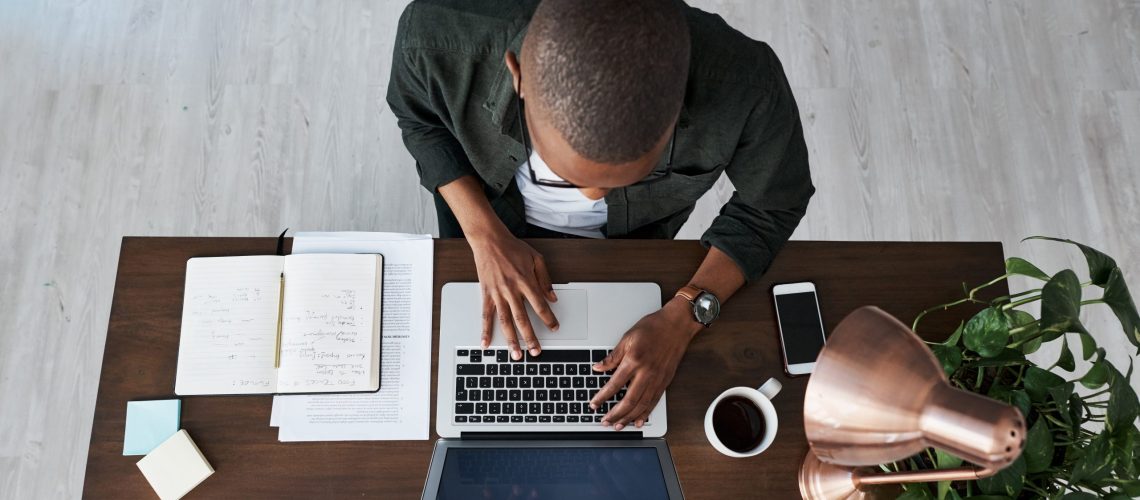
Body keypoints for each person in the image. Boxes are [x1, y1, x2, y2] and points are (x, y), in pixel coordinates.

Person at [387, 0, 814, 431]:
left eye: (627, 179)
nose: (591, 197)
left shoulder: (746, 83)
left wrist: (683, 317)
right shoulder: (438, 35)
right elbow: (421, 121)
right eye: (563, 172)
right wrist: (483, 233)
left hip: (635, 246)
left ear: (678, 111)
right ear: (519, 76)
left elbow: (773, 203)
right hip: (484, 217)